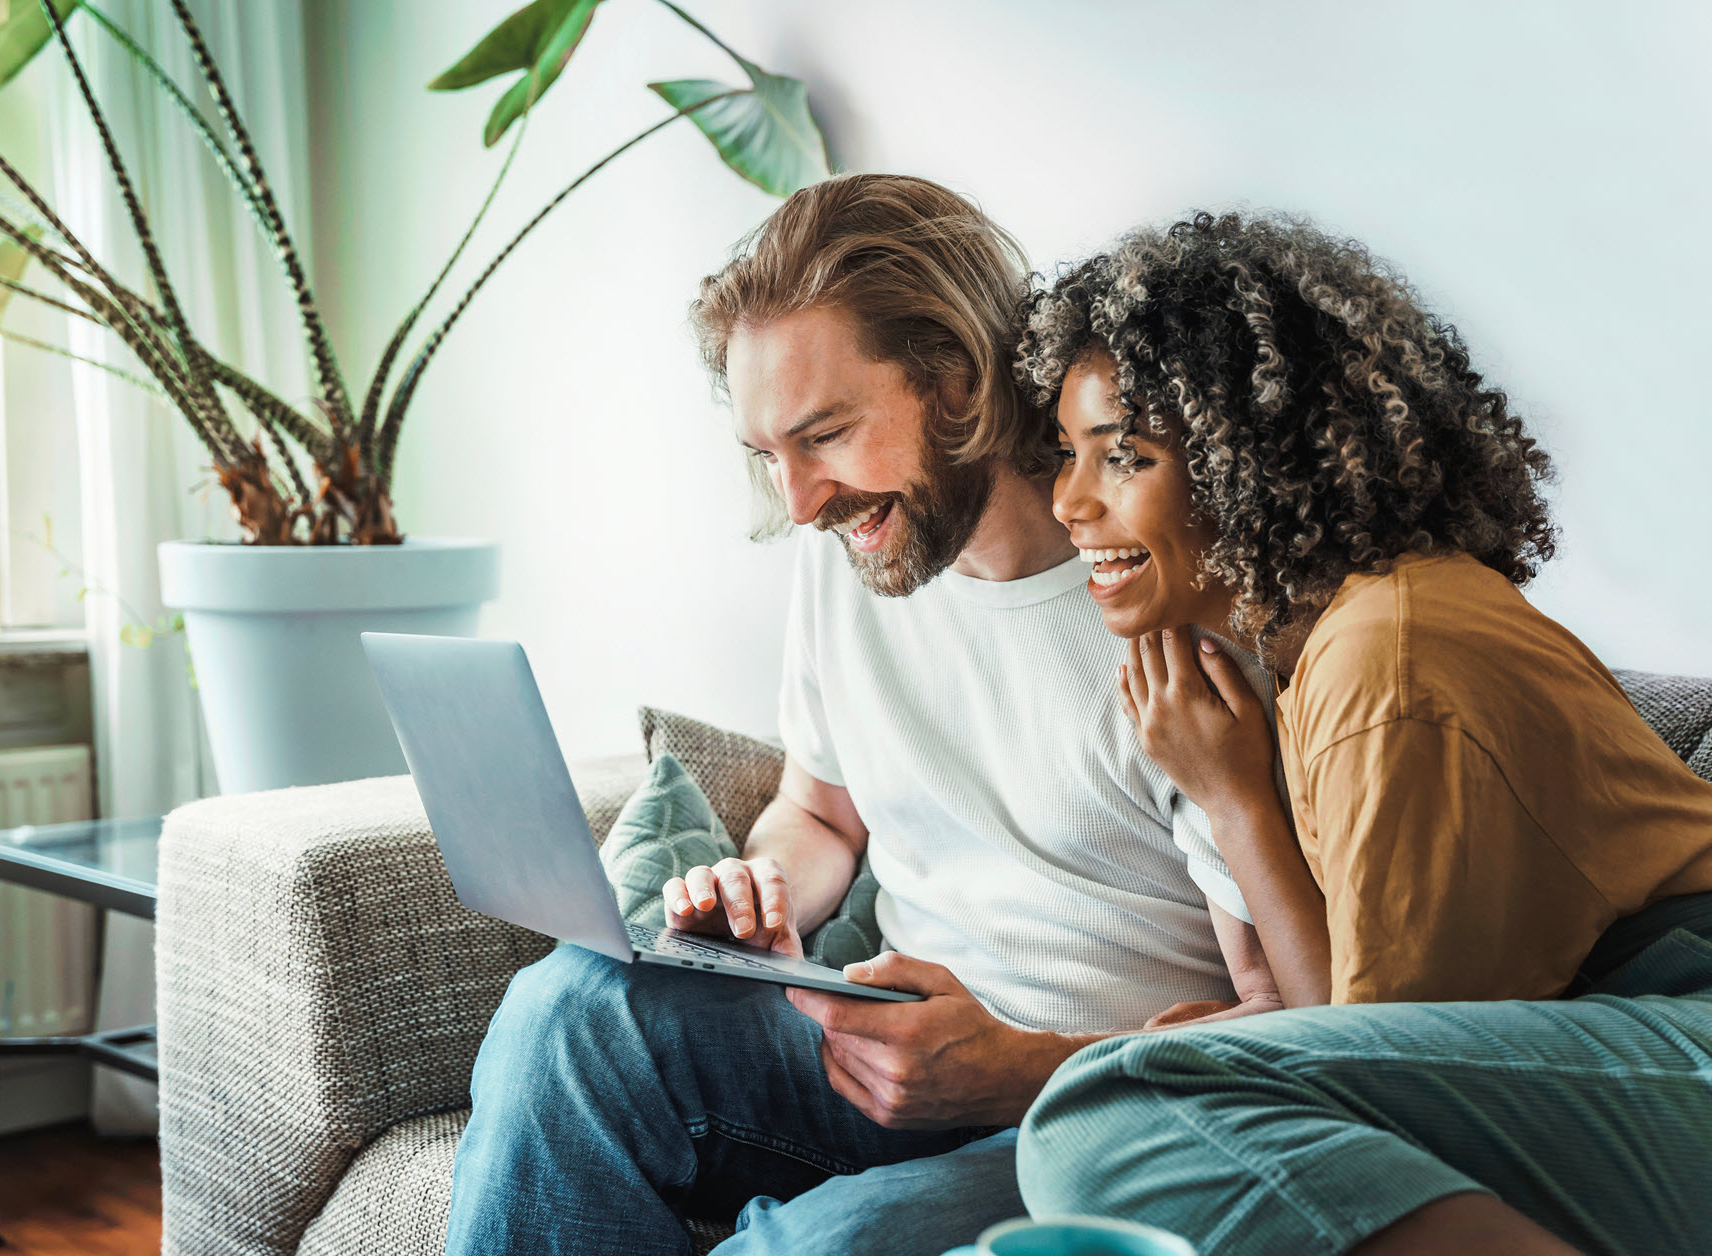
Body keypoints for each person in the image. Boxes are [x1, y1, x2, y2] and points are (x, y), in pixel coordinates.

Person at [443, 176, 1286, 1256]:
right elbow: (824, 811)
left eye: (826, 434)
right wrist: (762, 896)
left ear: (957, 381)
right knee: (572, 1011)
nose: (799, 501)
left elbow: (1281, 1018)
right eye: (767, 455)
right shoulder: (858, 553)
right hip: (877, 1056)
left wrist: (1020, 1060)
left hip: (1085, 1111)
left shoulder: (1164, 602)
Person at [1013, 210, 1712, 1256]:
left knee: (1107, 1108)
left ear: (1248, 458)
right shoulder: (1331, 646)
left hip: (1679, 1031)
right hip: (1634, 1046)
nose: (1068, 501)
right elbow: (1373, 1035)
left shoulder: (1388, 657)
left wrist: (1236, 801)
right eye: (1067, 456)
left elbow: (1362, 1053)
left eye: (1123, 458)